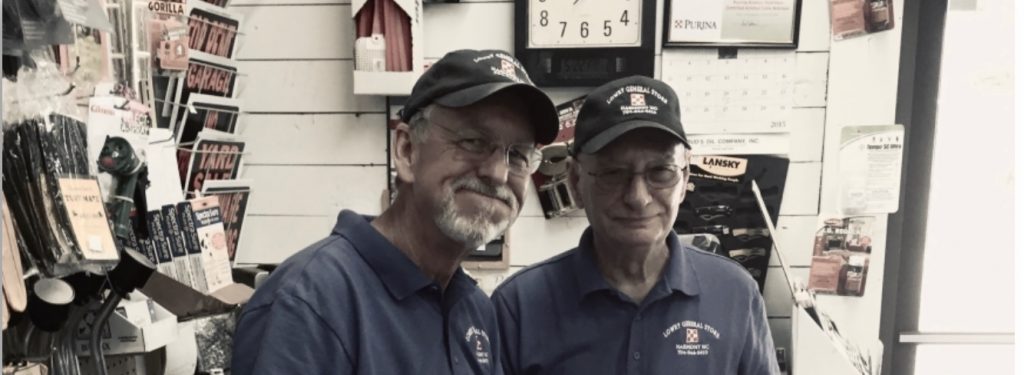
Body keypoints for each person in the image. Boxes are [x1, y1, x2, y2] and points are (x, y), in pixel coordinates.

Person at [232, 49, 559, 375]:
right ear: (406, 151)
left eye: (518, 155)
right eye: (473, 141)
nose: (499, 174)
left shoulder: (475, 309)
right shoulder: (309, 302)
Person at [491, 75, 779, 374]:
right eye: (613, 173)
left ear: (685, 181)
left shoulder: (735, 294)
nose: (638, 198)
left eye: (661, 172)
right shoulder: (518, 307)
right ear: (575, 182)